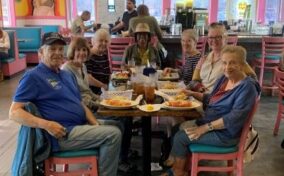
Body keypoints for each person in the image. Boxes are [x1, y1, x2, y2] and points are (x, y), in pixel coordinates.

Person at [9, 32, 121, 176]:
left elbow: (80, 103)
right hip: (62, 133)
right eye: (52, 49)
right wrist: (47, 125)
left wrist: (95, 125)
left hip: (79, 126)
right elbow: (14, 112)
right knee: (113, 134)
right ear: (41, 52)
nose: (58, 53)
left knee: (118, 125)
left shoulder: (66, 75)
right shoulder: (33, 76)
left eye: (60, 49)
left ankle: (103, 166)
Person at [161, 45, 261, 176]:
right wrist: (190, 92)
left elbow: (234, 118)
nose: (227, 67)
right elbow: (211, 99)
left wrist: (204, 128)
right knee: (176, 129)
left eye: (233, 63)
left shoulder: (247, 87)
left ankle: (177, 172)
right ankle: (183, 168)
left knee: (180, 137)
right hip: (213, 125)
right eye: (224, 63)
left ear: (242, 65)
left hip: (226, 135)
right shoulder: (224, 79)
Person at [62, 36, 137, 173]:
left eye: (84, 50)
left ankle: (118, 155)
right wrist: (102, 103)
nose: (82, 53)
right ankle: (119, 158)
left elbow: (88, 92)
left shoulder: (82, 66)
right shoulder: (67, 70)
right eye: (78, 50)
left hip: (91, 107)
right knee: (122, 120)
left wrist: (104, 98)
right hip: (84, 113)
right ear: (72, 51)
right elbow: (78, 99)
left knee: (123, 120)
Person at [190, 22, 256, 93]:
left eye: (218, 37)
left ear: (226, 38)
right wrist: (200, 89)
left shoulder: (233, 56)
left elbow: (252, 79)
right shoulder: (205, 58)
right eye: (211, 37)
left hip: (219, 101)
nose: (214, 40)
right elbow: (194, 81)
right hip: (201, 98)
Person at [85, 29, 110, 95]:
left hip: (104, 92)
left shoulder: (104, 55)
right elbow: (88, 78)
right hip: (92, 94)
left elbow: (108, 74)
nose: (104, 43)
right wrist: (104, 86)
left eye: (106, 41)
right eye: (101, 40)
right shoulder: (88, 56)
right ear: (93, 41)